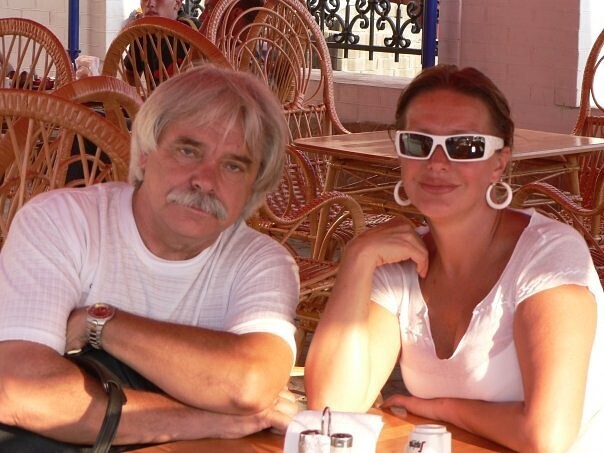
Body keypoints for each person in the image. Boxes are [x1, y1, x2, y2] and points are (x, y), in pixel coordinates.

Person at [305, 64, 604, 452]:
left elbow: (546, 436)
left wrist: (442, 408)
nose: (437, 162)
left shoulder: (548, 255)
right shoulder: (398, 262)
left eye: (465, 146)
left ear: (499, 162)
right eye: (418, 143)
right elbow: (331, 407)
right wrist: (357, 259)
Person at [0, 64, 300, 449]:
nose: (205, 180)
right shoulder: (62, 222)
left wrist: (101, 322)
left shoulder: (261, 262)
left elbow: (250, 385)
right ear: (144, 154)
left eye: (232, 166)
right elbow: (18, 391)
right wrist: (207, 418)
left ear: (254, 186)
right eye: (188, 150)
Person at [123, 0, 201, 86]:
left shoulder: (194, 30)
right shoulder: (142, 33)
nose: (149, 3)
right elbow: (131, 72)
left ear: (177, 3)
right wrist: (139, 93)